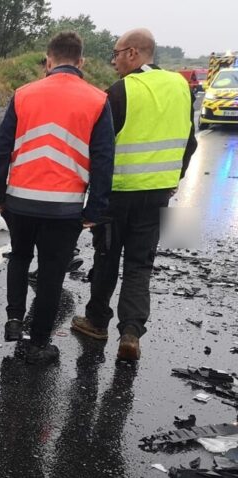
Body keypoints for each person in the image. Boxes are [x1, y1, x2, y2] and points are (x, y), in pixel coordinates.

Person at [0, 31, 115, 365]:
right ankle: (39, 343)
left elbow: (1, 148)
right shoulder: (98, 100)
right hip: (64, 207)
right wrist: (95, 208)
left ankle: (15, 319)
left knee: (19, 257)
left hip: (20, 201)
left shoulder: (23, 94)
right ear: (81, 61)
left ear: (48, 59)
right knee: (51, 273)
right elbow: (103, 160)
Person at [71, 28, 197, 362]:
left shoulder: (120, 91)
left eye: (115, 54)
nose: (113, 61)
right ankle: (130, 332)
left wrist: (89, 195)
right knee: (141, 265)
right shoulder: (180, 87)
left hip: (118, 195)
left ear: (133, 53)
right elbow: (190, 141)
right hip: (157, 195)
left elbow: (98, 147)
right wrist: (175, 178)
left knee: (107, 258)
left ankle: (97, 321)